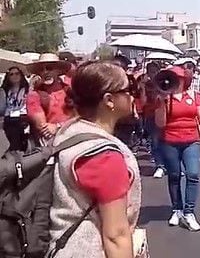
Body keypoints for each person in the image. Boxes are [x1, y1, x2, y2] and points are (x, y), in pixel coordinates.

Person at [50, 61, 140, 257]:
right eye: (128, 89)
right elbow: (116, 236)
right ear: (109, 100)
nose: (132, 95)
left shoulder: (69, 130)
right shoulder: (103, 156)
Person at [155, 65, 200, 231]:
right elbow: (160, 123)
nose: (175, 81)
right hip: (169, 141)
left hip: (191, 140)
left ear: (183, 80)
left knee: (192, 174)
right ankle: (177, 209)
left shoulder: (193, 96)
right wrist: (163, 102)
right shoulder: (163, 98)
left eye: (178, 78)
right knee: (174, 176)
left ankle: (189, 212)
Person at [26, 53, 74, 145]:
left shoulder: (70, 90)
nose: (45, 72)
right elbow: (44, 129)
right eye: (41, 69)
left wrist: (58, 126)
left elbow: (83, 116)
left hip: (76, 138)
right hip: (54, 145)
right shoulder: (34, 96)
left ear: (58, 71)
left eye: (49, 68)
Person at [139, 61, 166, 178]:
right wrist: (143, 88)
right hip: (150, 115)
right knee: (155, 142)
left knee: (166, 141)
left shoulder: (164, 82)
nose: (153, 74)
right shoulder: (147, 84)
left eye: (155, 71)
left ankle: (169, 164)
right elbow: (143, 102)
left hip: (163, 113)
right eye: (151, 72)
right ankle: (159, 165)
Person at [0, 66, 30, 151]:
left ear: (21, 75)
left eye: (17, 73)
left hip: (22, 117)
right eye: (11, 74)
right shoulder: (5, 90)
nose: (14, 76)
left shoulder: (27, 89)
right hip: (8, 119)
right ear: (8, 77)